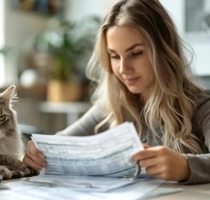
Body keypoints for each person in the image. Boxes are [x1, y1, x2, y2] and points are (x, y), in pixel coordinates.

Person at [23, 0, 210, 184]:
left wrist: (186, 166)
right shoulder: (112, 106)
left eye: (136, 53)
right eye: (114, 56)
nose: (123, 69)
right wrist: (37, 152)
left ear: (163, 49)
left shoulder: (202, 106)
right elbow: (61, 143)